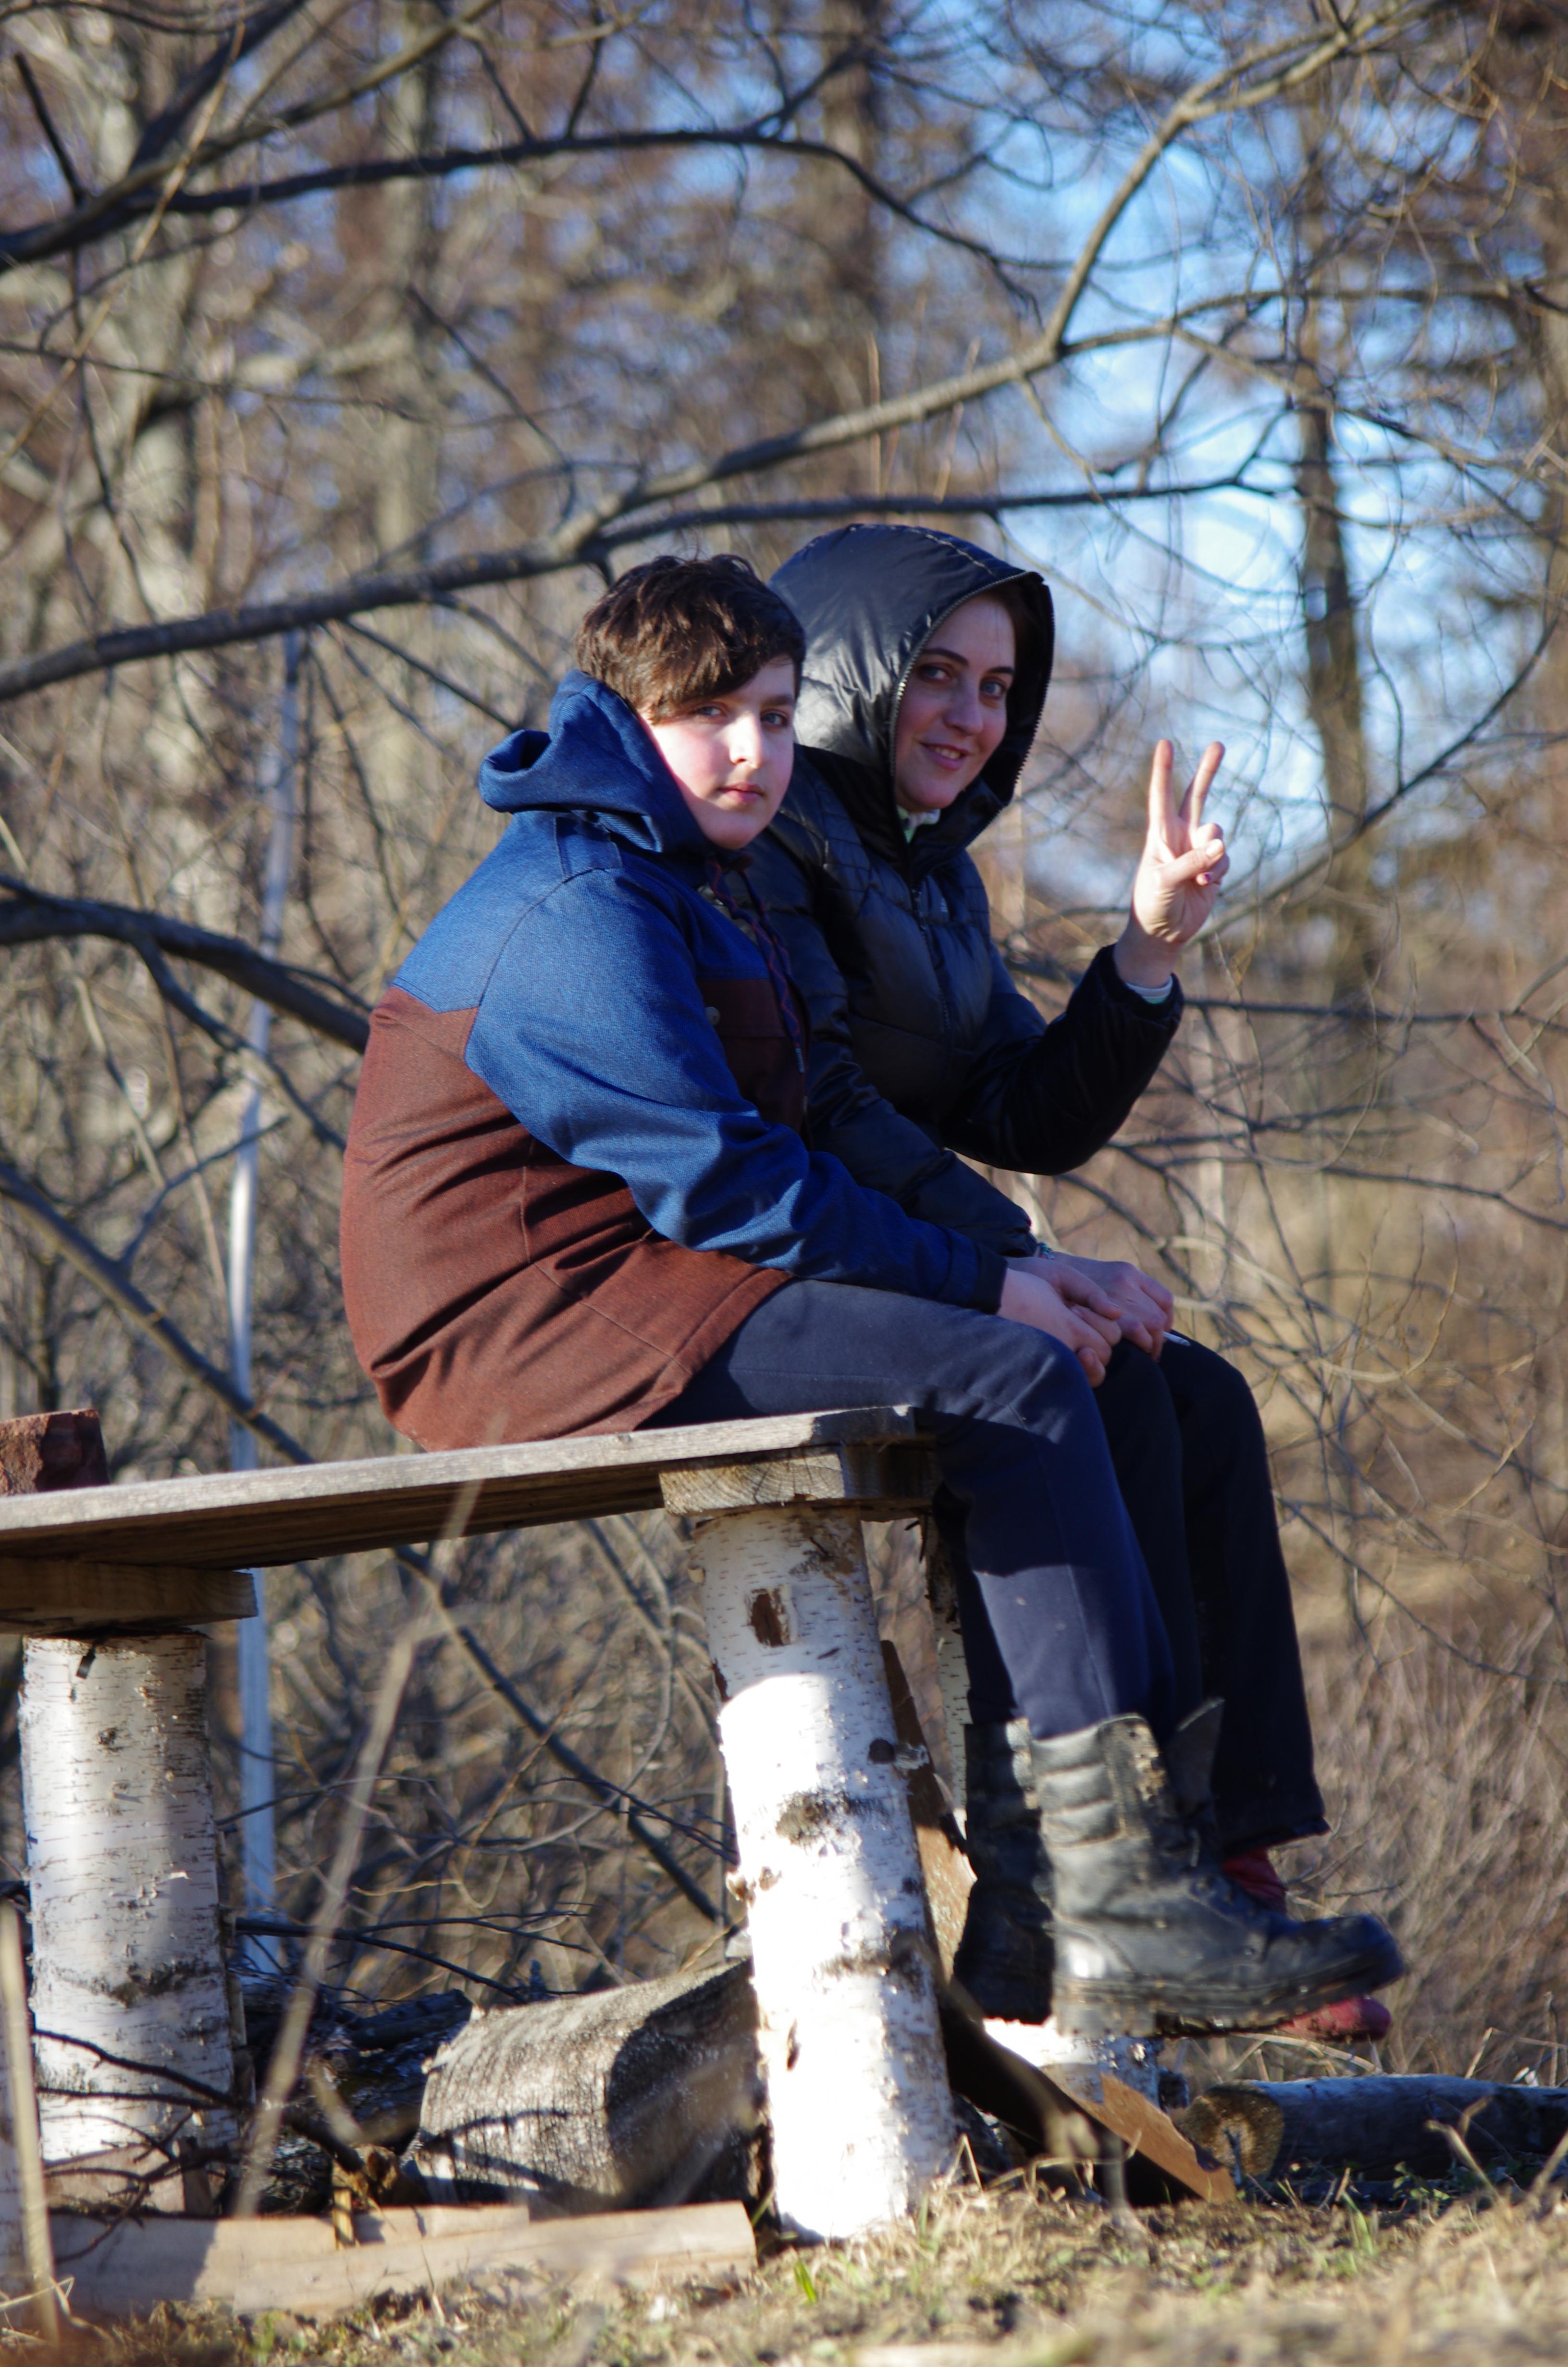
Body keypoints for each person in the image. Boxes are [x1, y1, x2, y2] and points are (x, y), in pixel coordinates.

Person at [339, 550, 1400, 2041]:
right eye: (709, 717)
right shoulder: (581, 899)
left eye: (773, 716)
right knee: (1012, 1375)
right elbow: (731, 1183)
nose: (752, 751)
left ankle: (1089, 1893)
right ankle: (1114, 1897)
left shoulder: (694, 875)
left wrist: (1017, 1263)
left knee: (1083, 1371)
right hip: (526, 1325)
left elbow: (843, 1127)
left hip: (647, 1281)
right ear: (624, 719)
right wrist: (989, 1283)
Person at [747, 521, 1388, 2036]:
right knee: (1097, 1379)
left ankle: (1218, 1860)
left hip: (907, 1252)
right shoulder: (774, 847)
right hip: (797, 1264)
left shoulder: (933, 879)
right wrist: (1023, 1266)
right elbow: (820, 1107)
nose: (972, 717)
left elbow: (1020, 1110)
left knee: (1198, 1397)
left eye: (999, 689)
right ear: (848, 671)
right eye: (938, 675)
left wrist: (1146, 953)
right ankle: (1065, 1890)